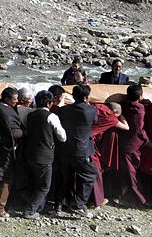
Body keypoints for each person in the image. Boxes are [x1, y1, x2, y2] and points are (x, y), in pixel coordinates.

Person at [56, 84, 98, 218]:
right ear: (86, 97)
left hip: (65, 149)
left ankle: (60, 203)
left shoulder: (64, 110)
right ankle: (78, 204)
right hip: (81, 150)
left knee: (65, 177)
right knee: (89, 175)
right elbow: (95, 121)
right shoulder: (91, 110)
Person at [22, 90, 66, 218]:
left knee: (36, 181)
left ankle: (41, 206)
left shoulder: (30, 115)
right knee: (44, 186)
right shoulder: (51, 117)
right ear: (49, 103)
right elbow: (62, 137)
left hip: (29, 152)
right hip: (44, 155)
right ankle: (29, 211)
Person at [0, 87, 24, 218]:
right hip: (3, 148)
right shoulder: (5, 111)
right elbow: (12, 131)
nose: (17, 101)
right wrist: (24, 132)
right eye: (14, 99)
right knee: (6, 177)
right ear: (7, 99)